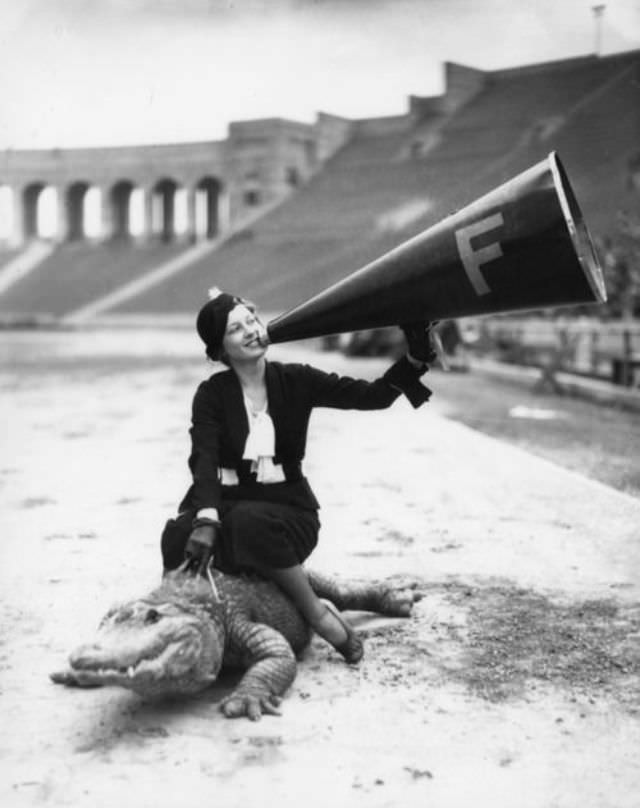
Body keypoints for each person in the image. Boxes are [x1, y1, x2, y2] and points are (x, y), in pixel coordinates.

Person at [161, 289, 437, 665]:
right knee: (177, 535)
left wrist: (416, 357)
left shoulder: (296, 380)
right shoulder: (210, 395)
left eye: (251, 321)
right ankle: (180, 628)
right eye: (235, 329)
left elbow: (373, 396)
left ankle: (319, 615)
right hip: (225, 510)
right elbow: (204, 460)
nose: (250, 331)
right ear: (219, 350)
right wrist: (205, 517)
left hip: (287, 515)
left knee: (247, 523)